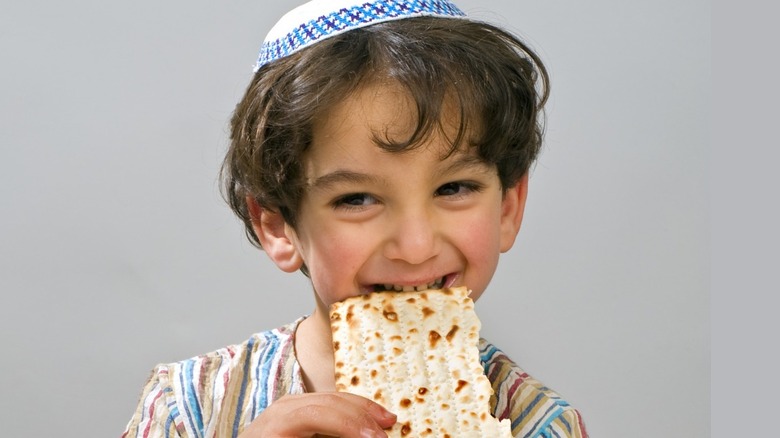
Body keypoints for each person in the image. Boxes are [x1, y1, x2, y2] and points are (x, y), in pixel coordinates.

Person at [122, 0, 587, 437]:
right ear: (278, 226)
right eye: (357, 199)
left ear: (508, 205)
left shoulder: (541, 426)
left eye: (453, 188)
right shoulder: (186, 408)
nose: (416, 245)